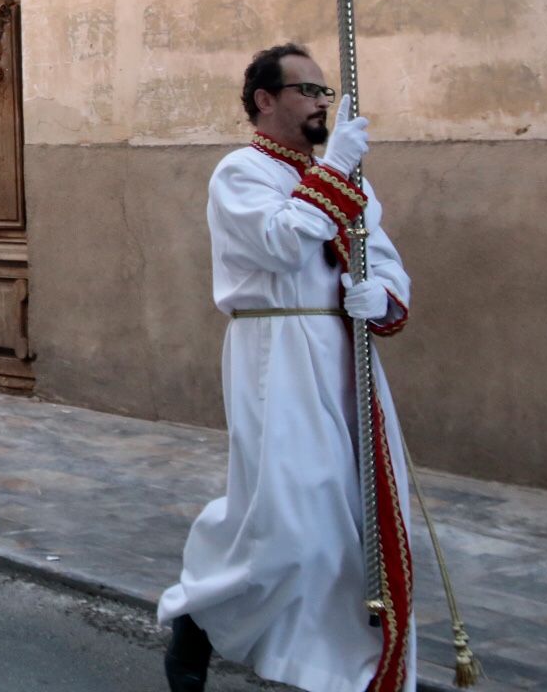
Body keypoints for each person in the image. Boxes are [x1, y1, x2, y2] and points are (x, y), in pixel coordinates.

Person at [158, 44, 415, 692]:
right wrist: (337, 171)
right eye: (306, 90)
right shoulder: (238, 173)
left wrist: (378, 293)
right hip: (275, 356)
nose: (321, 104)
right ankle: (199, 615)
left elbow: (382, 256)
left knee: (348, 525)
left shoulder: (344, 175)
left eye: (326, 92)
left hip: (341, 354)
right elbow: (280, 241)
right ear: (264, 101)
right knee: (290, 521)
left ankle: (335, 668)